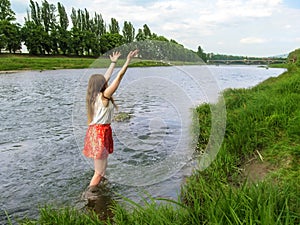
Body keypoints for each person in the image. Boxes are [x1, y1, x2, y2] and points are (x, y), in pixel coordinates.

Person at [83, 49, 139, 188]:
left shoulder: (94, 96)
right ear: (102, 85)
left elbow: (105, 78)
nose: (107, 81)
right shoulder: (104, 96)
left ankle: (101, 189)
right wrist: (127, 61)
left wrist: (113, 62)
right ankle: (88, 195)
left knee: (103, 168)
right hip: (100, 133)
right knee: (99, 172)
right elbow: (118, 77)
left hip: (98, 131)